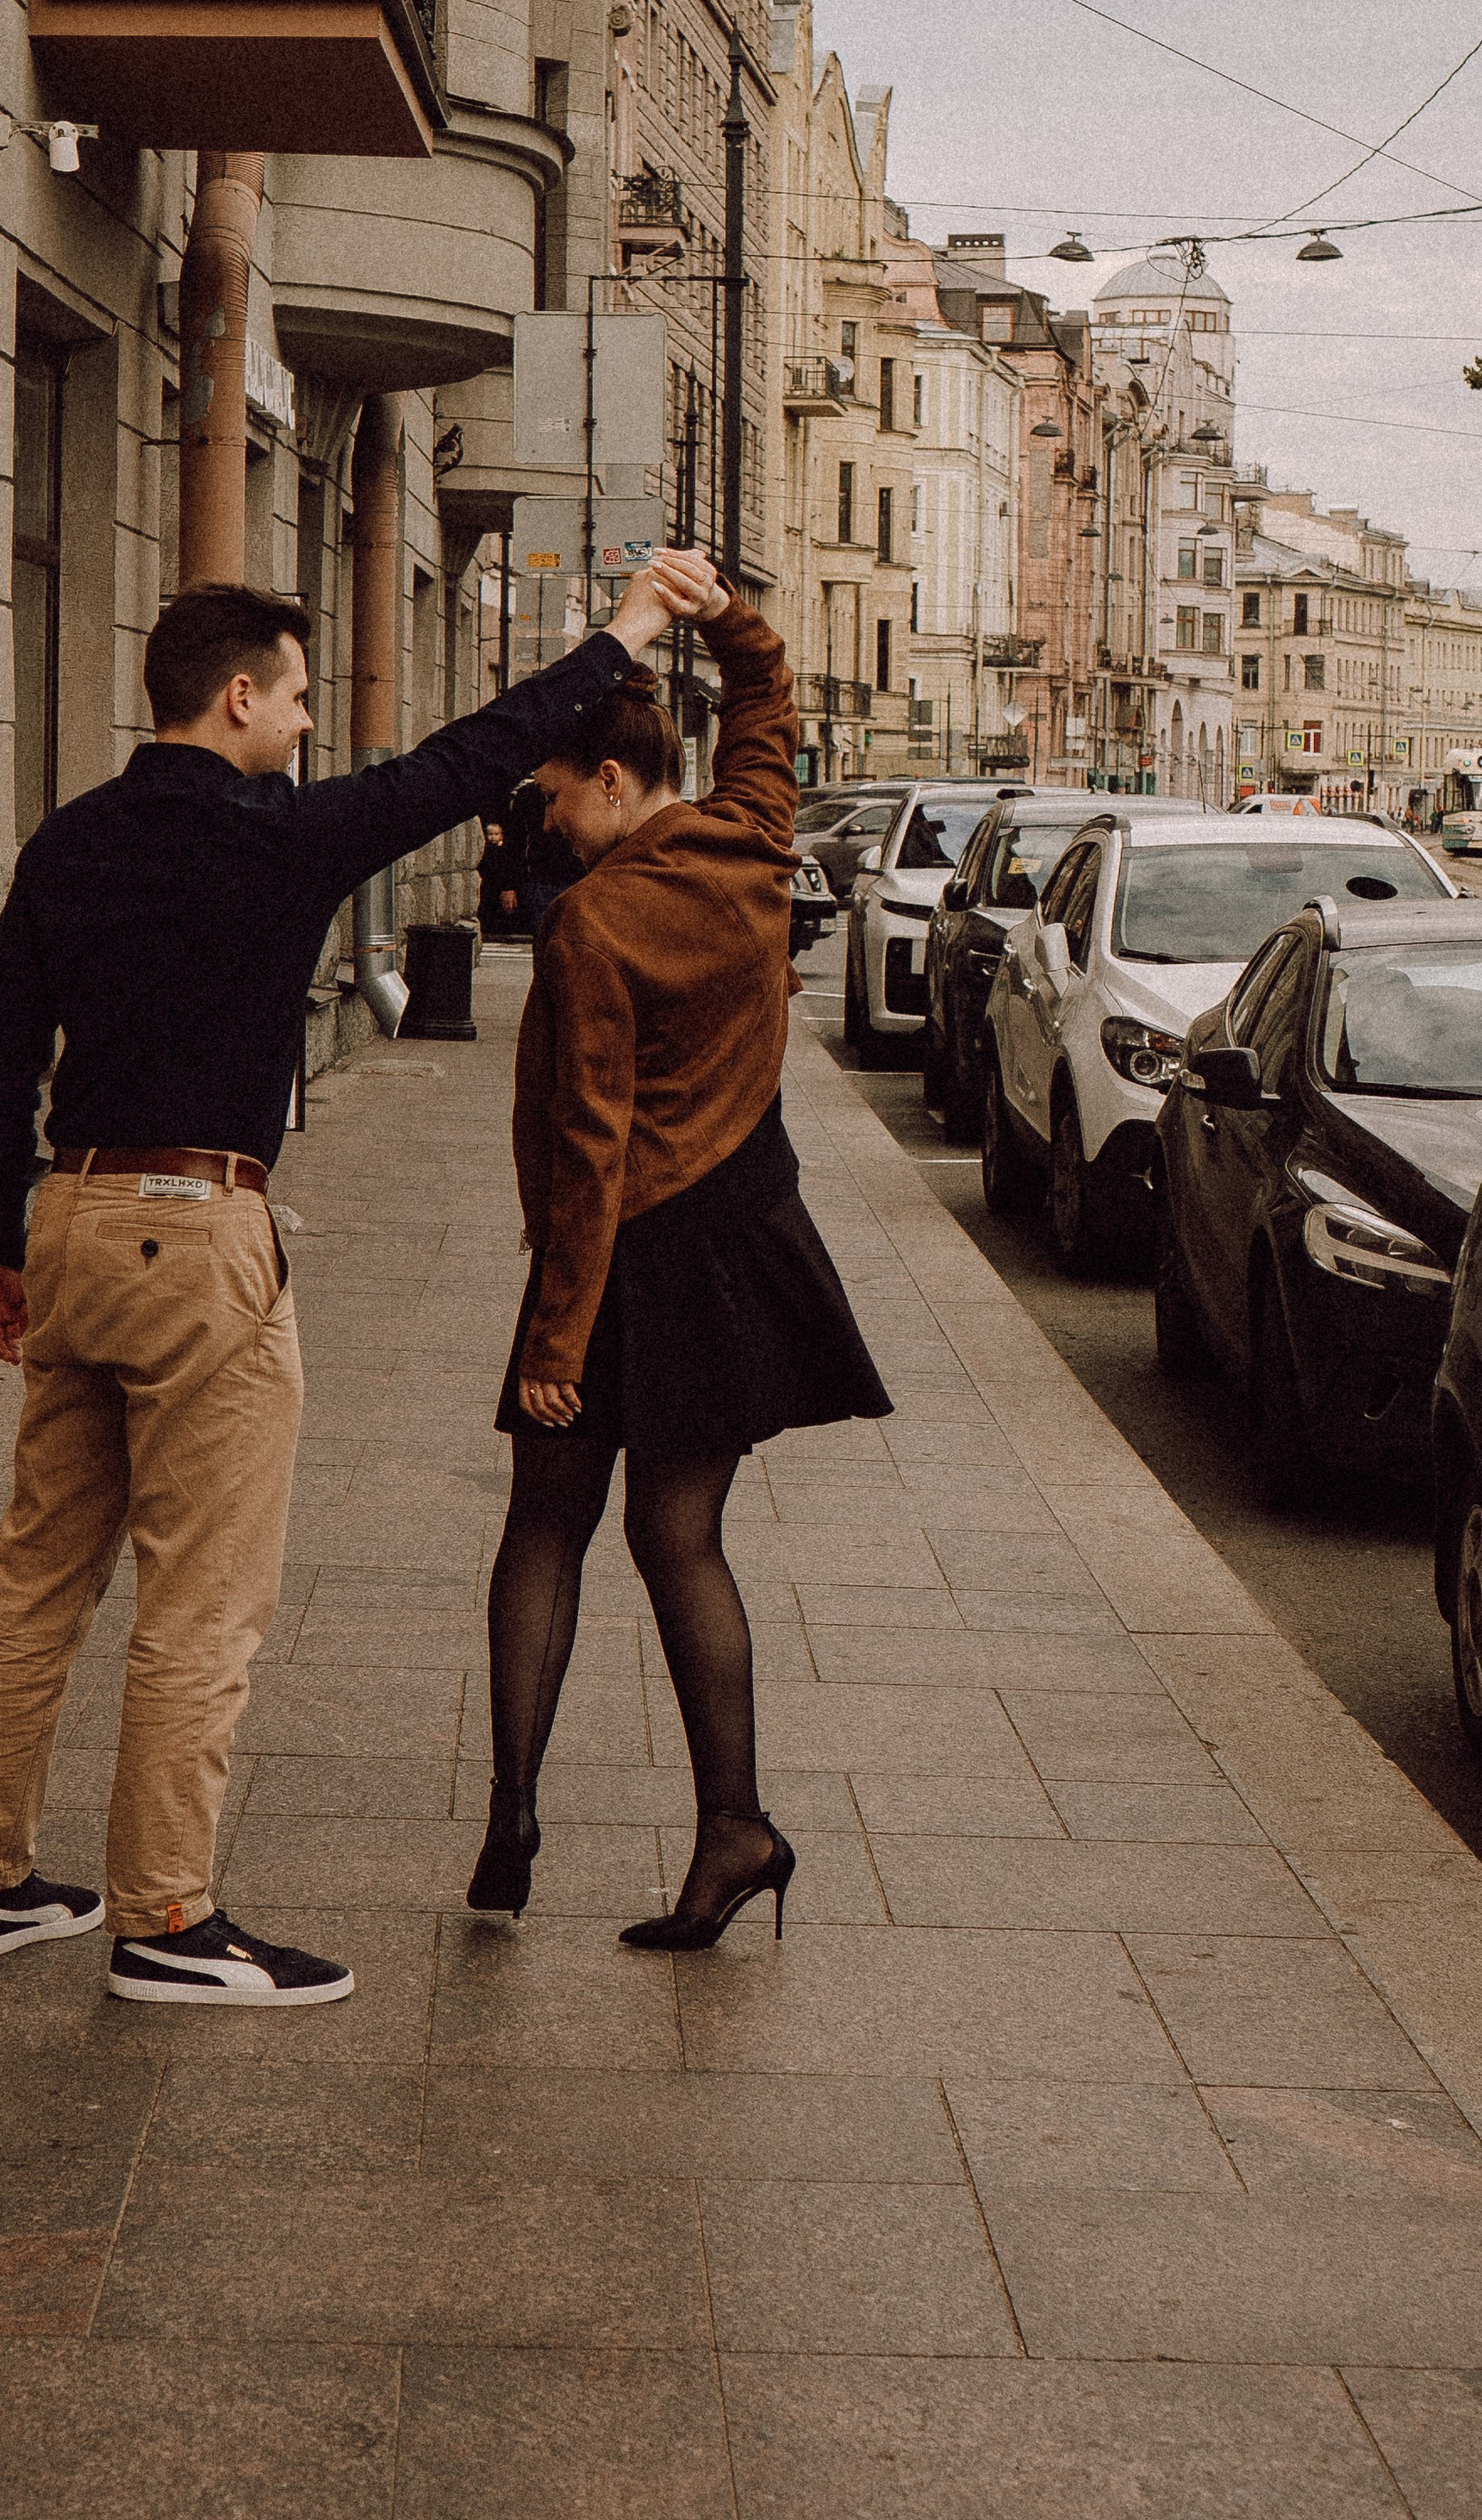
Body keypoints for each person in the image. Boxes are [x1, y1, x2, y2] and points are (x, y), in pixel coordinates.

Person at [0, 546, 719, 2008]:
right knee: (202, 1599)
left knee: (40, 1571)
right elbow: (469, 758)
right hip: (199, 1230)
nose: (307, 726)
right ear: (237, 698)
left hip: (76, 1218)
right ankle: (166, 1919)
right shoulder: (274, 840)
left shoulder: (65, 843)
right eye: (295, 700)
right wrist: (620, 632)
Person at [467, 578, 890, 1946]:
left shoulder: (593, 923)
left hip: (624, 1252)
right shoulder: (753, 841)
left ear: (608, 779)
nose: (545, 821)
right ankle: (736, 1828)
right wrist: (730, 621)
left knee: (548, 1521)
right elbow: (769, 711)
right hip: (742, 1234)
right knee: (680, 1534)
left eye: (552, 797)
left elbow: (588, 1143)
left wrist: (553, 1343)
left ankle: (514, 1815)